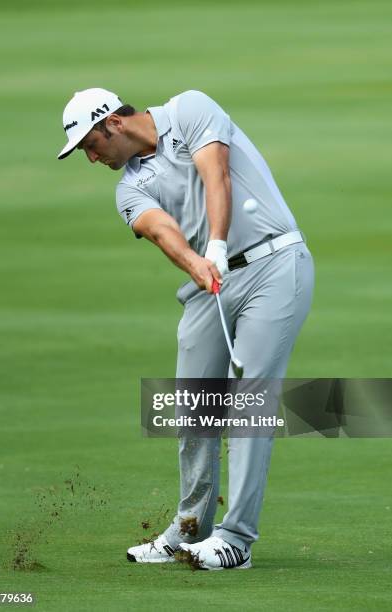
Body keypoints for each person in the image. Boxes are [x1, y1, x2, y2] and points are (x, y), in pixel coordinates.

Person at [57, 87, 314, 570]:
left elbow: (215, 172)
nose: (90, 158)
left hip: (275, 263)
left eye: (90, 145)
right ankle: (191, 528)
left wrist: (215, 243)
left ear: (112, 122)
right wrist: (197, 261)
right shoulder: (129, 187)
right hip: (210, 283)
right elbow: (161, 230)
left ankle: (236, 540)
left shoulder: (190, 109)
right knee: (195, 405)